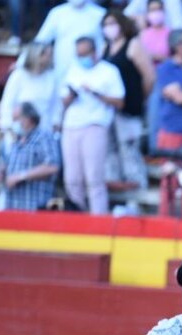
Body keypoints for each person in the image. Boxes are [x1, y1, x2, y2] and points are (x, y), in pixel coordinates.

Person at [61, 37, 125, 216]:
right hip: (71, 125)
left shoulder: (109, 71)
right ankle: (76, 215)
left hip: (95, 125)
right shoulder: (73, 69)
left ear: (94, 52)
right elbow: (63, 101)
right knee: (72, 178)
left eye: (84, 54)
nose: (81, 58)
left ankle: (98, 218)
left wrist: (96, 93)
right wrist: (72, 95)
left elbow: (119, 101)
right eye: (78, 55)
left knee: (94, 177)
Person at [102, 9, 155, 210]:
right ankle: (116, 199)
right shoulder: (107, 47)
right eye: (106, 24)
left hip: (130, 108)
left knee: (129, 151)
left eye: (112, 23)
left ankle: (136, 199)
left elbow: (149, 77)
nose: (109, 28)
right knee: (111, 153)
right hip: (110, 109)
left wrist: (139, 98)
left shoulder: (134, 45)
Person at [0, 103, 61, 212]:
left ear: (28, 119)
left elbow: (52, 166)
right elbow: (6, 163)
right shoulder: (16, 141)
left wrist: (21, 176)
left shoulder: (44, 137)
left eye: (16, 119)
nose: (14, 123)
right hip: (12, 207)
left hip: (35, 207)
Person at [35, 0, 106, 81]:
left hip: (91, 72)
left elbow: (103, 44)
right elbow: (40, 41)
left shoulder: (100, 13)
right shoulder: (57, 13)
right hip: (62, 69)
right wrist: (23, 62)